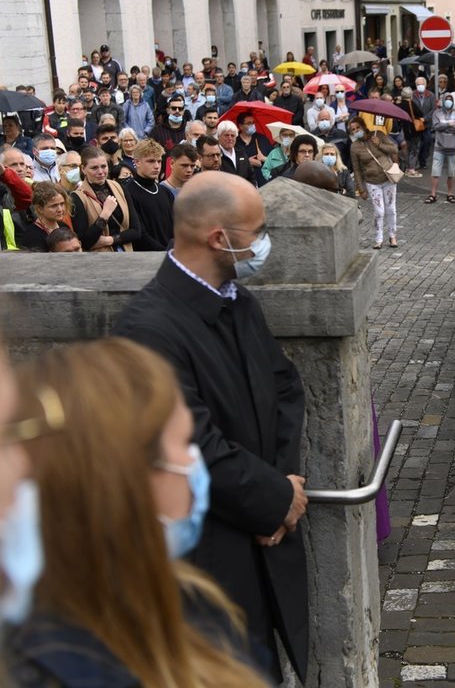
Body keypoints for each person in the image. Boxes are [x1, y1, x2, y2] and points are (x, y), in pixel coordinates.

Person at [113, 171, 309, 682]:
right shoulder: (145, 329)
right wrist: (272, 500)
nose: (264, 244)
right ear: (219, 238)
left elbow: (285, 389)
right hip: (208, 567)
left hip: (262, 539)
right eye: (257, 231)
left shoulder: (239, 301)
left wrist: (282, 491)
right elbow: (187, 446)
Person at [4, 339, 271, 687]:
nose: (194, 463)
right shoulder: (52, 667)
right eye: (184, 443)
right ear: (128, 484)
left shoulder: (186, 599)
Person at [71, 146, 139, 251]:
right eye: (94, 168)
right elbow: (84, 241)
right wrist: (105, 214)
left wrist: (109, 240)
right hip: (99, 260)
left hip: (126, 254)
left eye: (104, 166)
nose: (100, 172)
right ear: (83, 169)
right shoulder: (77, 197)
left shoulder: (119, 188)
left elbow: (136, 231)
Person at [349, 117, 400, 249]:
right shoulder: (354, 147)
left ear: (363, 126)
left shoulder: (378, 135)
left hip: (388, 178)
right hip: (372, 182)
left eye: (357, 128)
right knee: (379, 211)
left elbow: (394, 149)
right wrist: (361, 188)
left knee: (391, 209)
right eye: (353, 130)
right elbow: (357, 169)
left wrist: (379, 144)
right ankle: (378, 238)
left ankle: (392, 235)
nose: (356, 131)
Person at [125, 138, 174, 250]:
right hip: (145, 258)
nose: (157, 166)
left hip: (170, 255)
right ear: (137, 162)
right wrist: (163, 251)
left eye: (159, 161)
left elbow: (176, 226)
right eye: (151, 161)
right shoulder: (128, 192)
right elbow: (139, 233)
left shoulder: (165, 191)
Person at [425, 95, 455, 204]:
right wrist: (449, 124)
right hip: (439, 147)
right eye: (446, 100)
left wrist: (445, 126)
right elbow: (436, 127)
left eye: (450, 100)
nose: (448, 102)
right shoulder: (437, 113)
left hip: (453, 147)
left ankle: (450, 194)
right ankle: (433, 194)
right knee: (435, 172)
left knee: (451, 172)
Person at [15, 182, 70, 252]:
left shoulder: (64, 227)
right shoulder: (32, 236)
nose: (60, 209)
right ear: (39, 208)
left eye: (62, 204)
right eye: (54, 206)